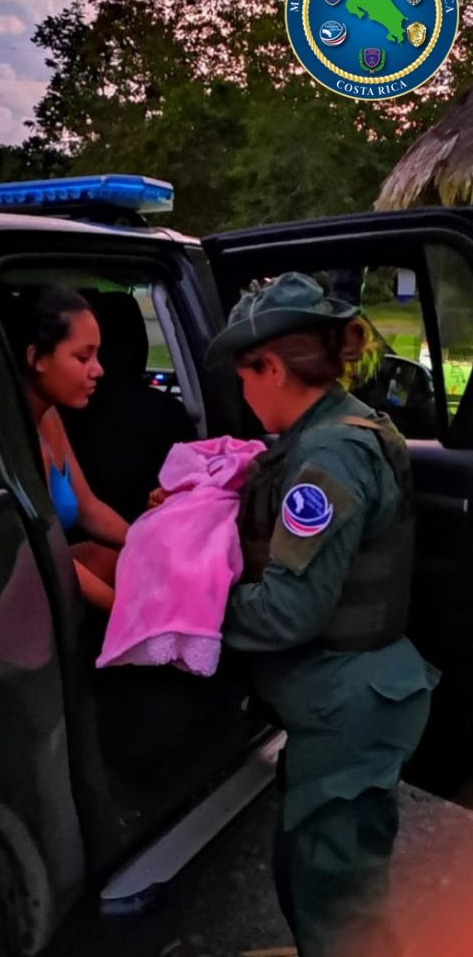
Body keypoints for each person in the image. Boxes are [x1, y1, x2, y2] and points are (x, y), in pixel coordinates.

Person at [203, 272, 439, 957]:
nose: (242, 396)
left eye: (245, 378)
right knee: (309, 870)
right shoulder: (339, 423)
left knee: (342, 909)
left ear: (271, 367)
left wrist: (187, 614)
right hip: (346, 700)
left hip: (349, 704)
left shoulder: (329, 453)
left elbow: (285, 613)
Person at [7, 284, 129, 612]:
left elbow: (88, 509)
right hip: (25, 595)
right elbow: (46, 552)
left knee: (122, 557)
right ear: (36, 358)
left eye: (97, 355)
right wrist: (125, 614)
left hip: (49, 573)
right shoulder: (14, 436)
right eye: (82, 356)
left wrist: (153, 547)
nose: (99, 369)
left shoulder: (49, 417)